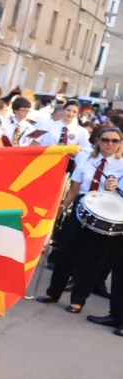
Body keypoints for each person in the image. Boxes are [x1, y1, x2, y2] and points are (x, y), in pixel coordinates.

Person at [37, 127, 123, 316]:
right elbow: (75, 188)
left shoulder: (122, 165)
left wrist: (114, 189)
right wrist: (61, 209)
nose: (109, 144)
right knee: (65, 253)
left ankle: (78, 300)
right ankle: (53, 293)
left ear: (120, 144)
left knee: (92, 260)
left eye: (114, 141)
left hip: (106, 212)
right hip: (81, 207)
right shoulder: (85, 158)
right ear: (98, 141)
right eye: (105, 140)